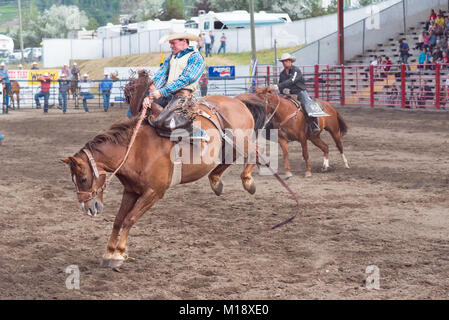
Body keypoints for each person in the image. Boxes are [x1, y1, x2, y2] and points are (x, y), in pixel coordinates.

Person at [143, 28, 205, 109]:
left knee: (167, 119)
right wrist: (150, 95)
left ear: (184, 41)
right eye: (170, 43)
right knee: (136, 109)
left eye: (173, 43)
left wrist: (162, 91)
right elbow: (161, 75)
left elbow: (188, 78)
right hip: (167, 96)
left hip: (185, 97)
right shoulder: (172, 57)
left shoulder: (195, 56)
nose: (171, 46)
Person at [273, 53, 328, 132]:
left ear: (290, 61)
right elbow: (282, 86)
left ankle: (314, 124)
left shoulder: (296, 70)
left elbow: (292, 80)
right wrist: (282, 90)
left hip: (300, 92)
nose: (285, 62)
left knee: (307, 104)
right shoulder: (282, 74)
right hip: (289, 94)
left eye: (287, 60)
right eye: (283, 61)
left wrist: (278, 86)